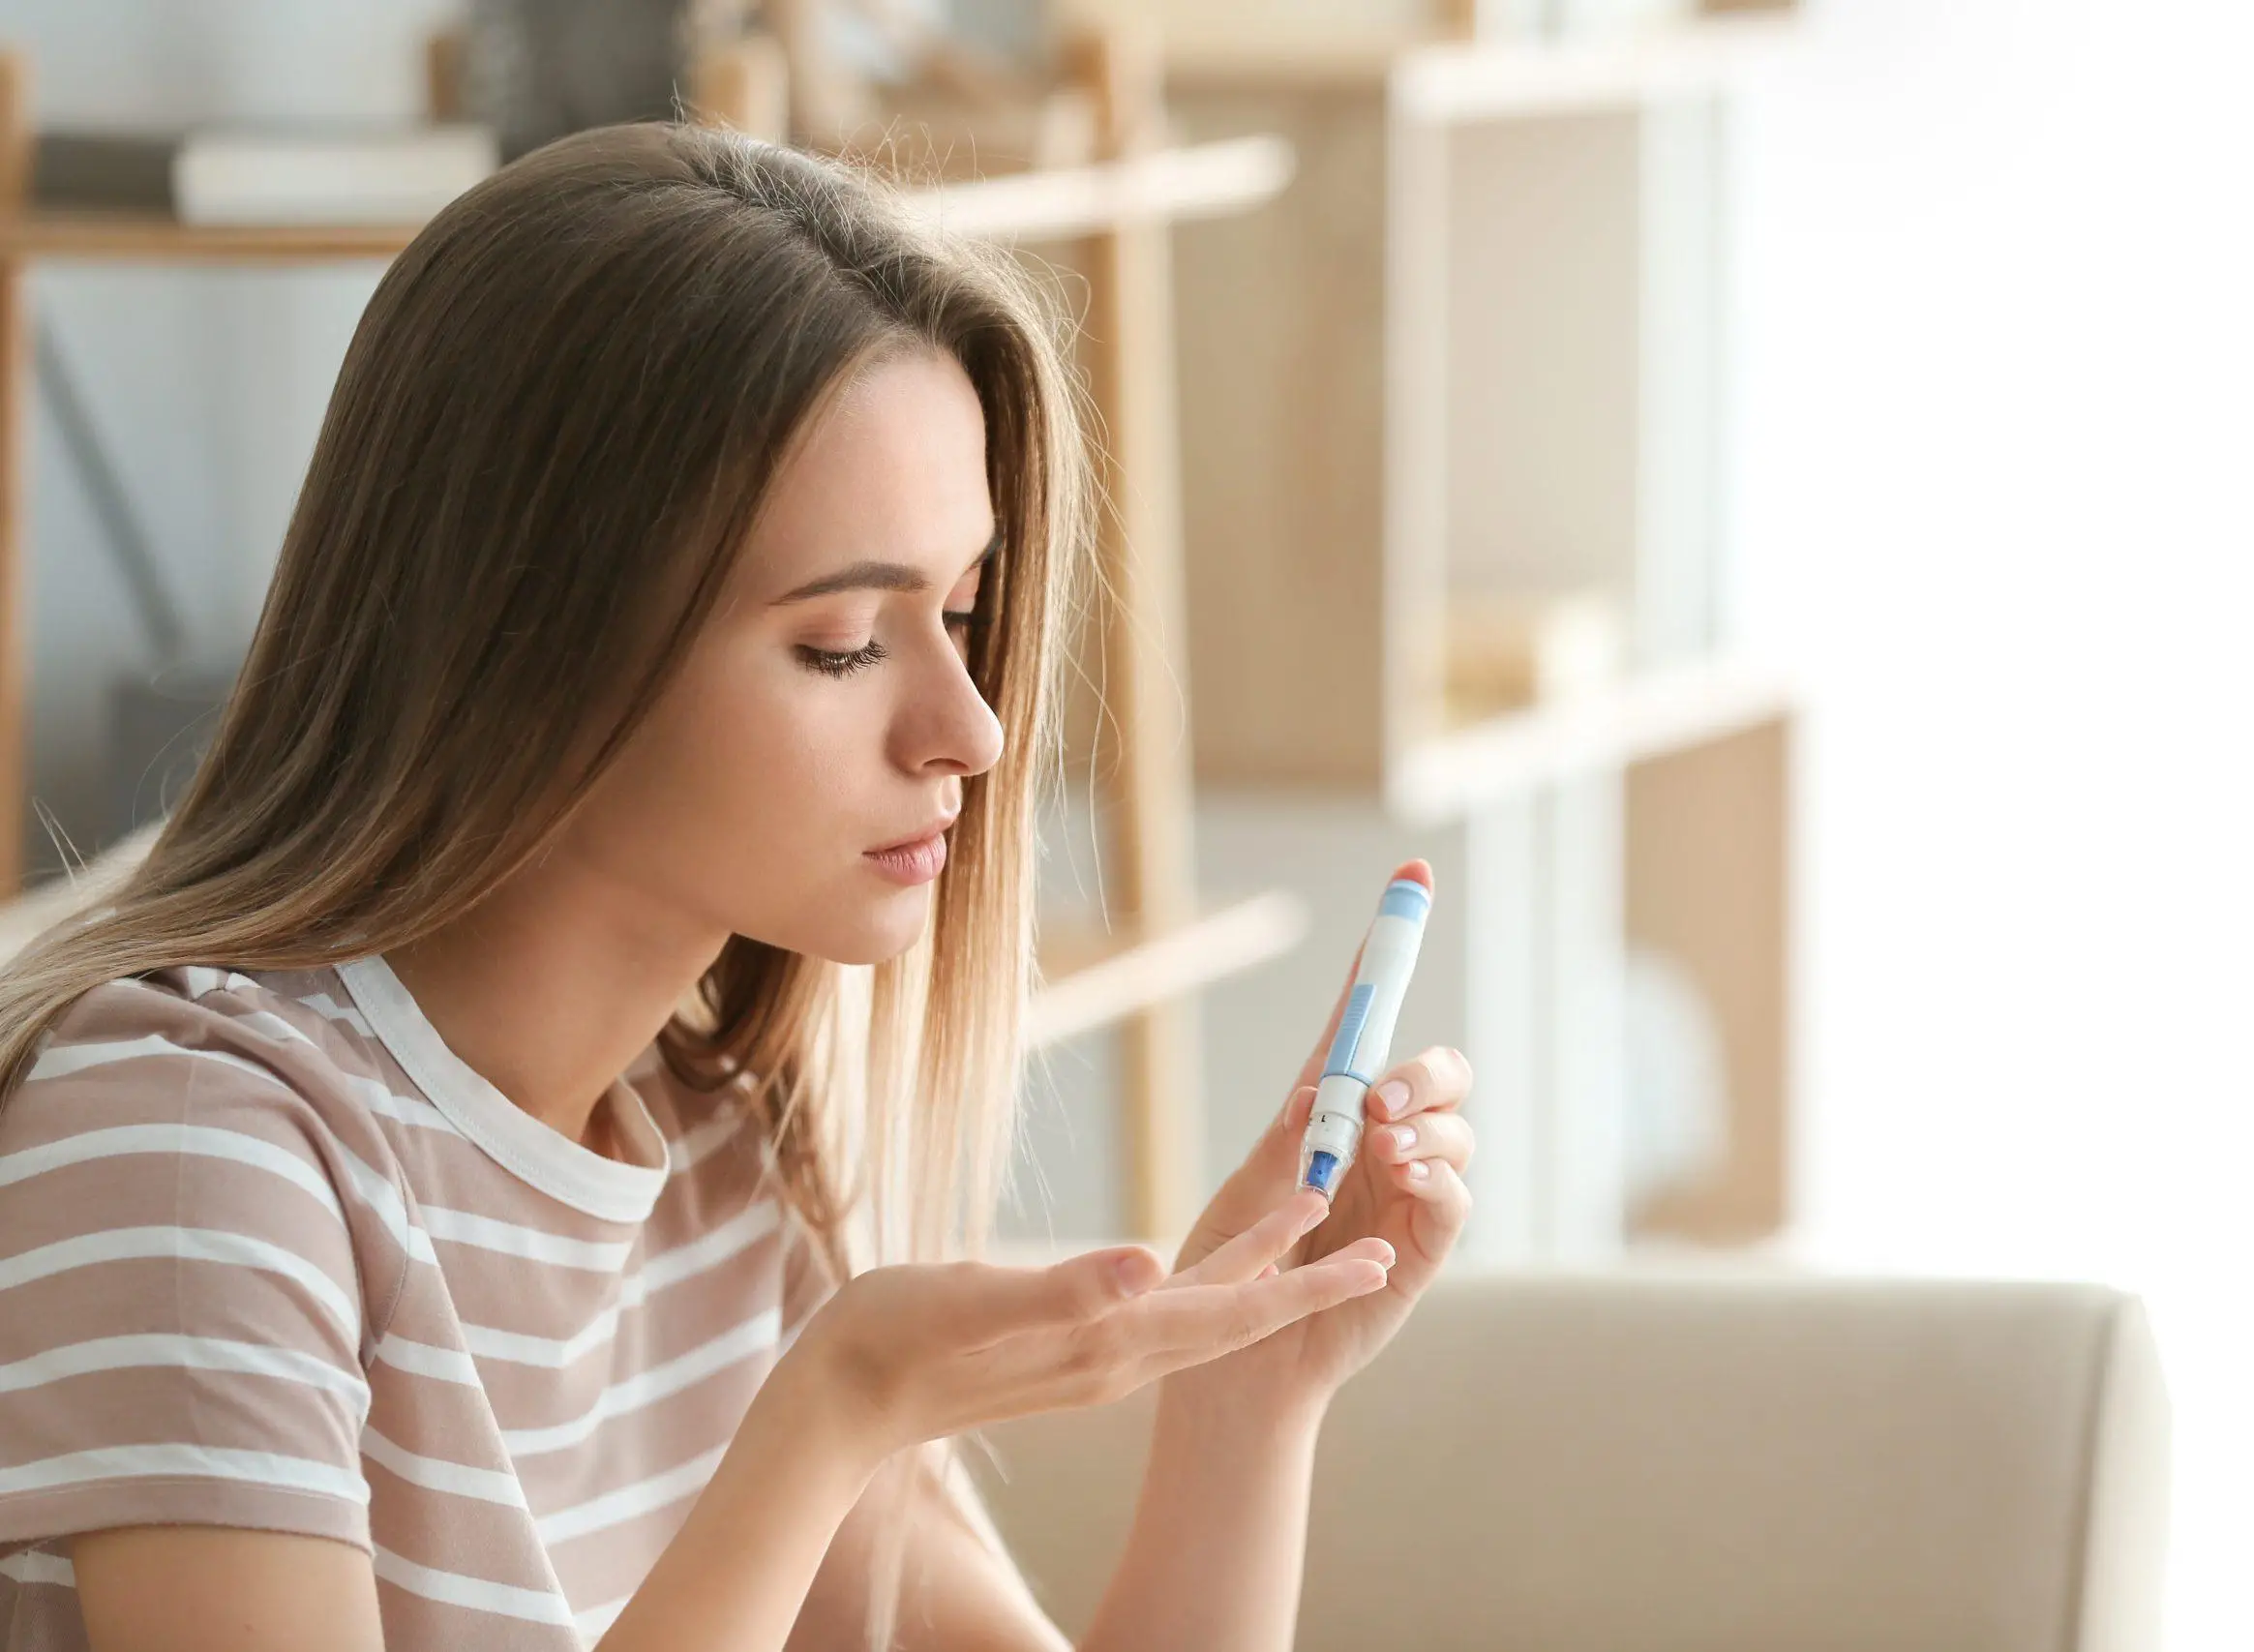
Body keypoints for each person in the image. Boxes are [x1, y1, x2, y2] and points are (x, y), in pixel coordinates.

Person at [0, 121, 1477, 1652]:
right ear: (532, 640)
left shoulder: (708, 1156)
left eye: (963, 612)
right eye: (844, 638)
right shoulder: (192, 1149)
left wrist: (1247, 1400)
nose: (968, 729)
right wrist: (834, 1410)